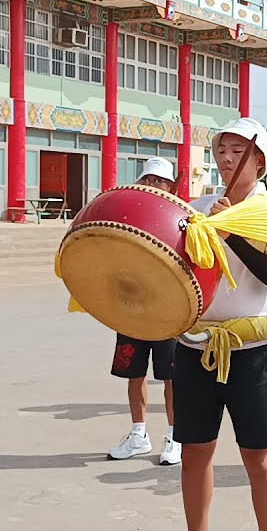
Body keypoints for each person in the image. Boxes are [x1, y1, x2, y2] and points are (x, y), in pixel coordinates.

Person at [154, 118, 267, 531]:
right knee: (194, 453)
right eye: (222, 149)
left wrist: (231, 233)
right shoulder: (197, 210)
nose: (228, 157)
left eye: (239, 150)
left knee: (259, 458)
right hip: (195, 349)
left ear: (259, 159)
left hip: (250, 352)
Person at [107, 158, 181, 466]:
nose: (153, 185)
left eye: (160, 181)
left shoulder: (180, 218)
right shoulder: (128, 217)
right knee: (133, 373)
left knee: (171, 377)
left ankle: (176, 436)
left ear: (170, 186)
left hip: (168, 310)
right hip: (132, 310)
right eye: (148, 180)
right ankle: (138, 435)